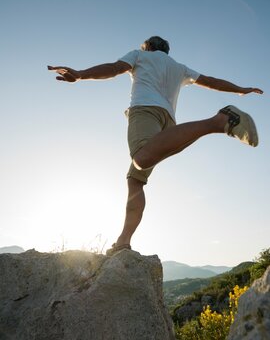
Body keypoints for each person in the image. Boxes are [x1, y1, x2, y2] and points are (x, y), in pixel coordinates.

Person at [48, 36, 263, 255]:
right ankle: (123, 241)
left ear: (147, 47)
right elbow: (210, 81)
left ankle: (219, 121)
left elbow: (114, 68)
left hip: (145, 111)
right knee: (135, 180)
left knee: (141, 158)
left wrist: (81, 74)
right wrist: (240, 89)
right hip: (169, 124)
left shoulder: (139, 55)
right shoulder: (178, 67)